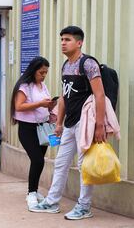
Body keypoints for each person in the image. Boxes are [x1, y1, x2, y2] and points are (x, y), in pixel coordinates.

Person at [30, 26, 106, 220]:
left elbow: (100, 95)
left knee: (84, 166)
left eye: (68, 39)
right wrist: (59, 123)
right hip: (70, 123)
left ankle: (84, 206)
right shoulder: (65, 66)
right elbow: (64, 97)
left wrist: (99, 125)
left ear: (79, 42)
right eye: (62, 39)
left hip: (85, 122)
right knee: (61, 163)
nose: (63, 42)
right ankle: (52, 201)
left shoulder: (88, 64)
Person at [10, 56, 56, 210]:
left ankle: (34, 191)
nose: (43, 76)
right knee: (37, 160)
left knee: (39, 161)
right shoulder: (25, 86)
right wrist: (40, 104)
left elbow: (44, 104)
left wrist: (50, 106)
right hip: (28, 129)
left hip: (43, 128)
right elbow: (19, 106)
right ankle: (31, 193)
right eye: (41, 72)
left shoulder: (42, 85)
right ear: (33, 70)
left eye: (45, 73)